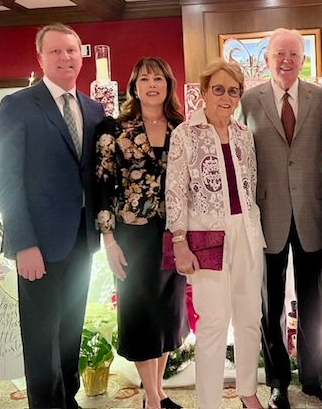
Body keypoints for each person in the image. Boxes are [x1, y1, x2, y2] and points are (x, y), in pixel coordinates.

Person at [0, 23, 106, 408]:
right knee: (41, 336)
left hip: (81, 239)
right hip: (37, 244)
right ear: (40, 57)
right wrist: (23, 243)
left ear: (81, 56)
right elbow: (6, 180)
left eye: (72, 50)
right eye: (56, 51)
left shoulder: (93, 109)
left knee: (71, 329)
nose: (65, 58)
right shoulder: (19, 105)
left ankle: (67, 399)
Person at [238, 28, 322, 409]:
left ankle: (317, 380)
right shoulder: (249, 100)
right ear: (267, 59)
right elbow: (237, 155)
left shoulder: (321, 99)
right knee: (271, 305)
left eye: (293, 55)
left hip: (311, 213)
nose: (286, 61)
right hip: (266, 214)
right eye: (278, 54)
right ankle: (278, 383)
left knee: (313, 303)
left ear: (303, 60)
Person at [165, 58, 266, 409]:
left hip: (247, 233)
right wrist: (179, 242)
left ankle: (248, 390)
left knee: (249, 317)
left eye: (233, 91)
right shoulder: (185, 134)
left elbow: (250, 188)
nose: (226, 97)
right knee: (214, 321)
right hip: (206, 235)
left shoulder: (243, 134)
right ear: (204, 92)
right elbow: (175, 191)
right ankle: (208, 402)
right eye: (218, 89)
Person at [94, 57, 189, 409]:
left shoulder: (183, 127)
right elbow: (102, 186)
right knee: (139, 314)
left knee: (167, 314)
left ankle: (158, 392)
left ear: (168, 85)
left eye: (159, 79)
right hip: (132, 236)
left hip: (174, 233)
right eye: (144, 79)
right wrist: (108, 240)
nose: (152, 85)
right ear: (134, 86)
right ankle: (152, 397)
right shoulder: (114, 129)